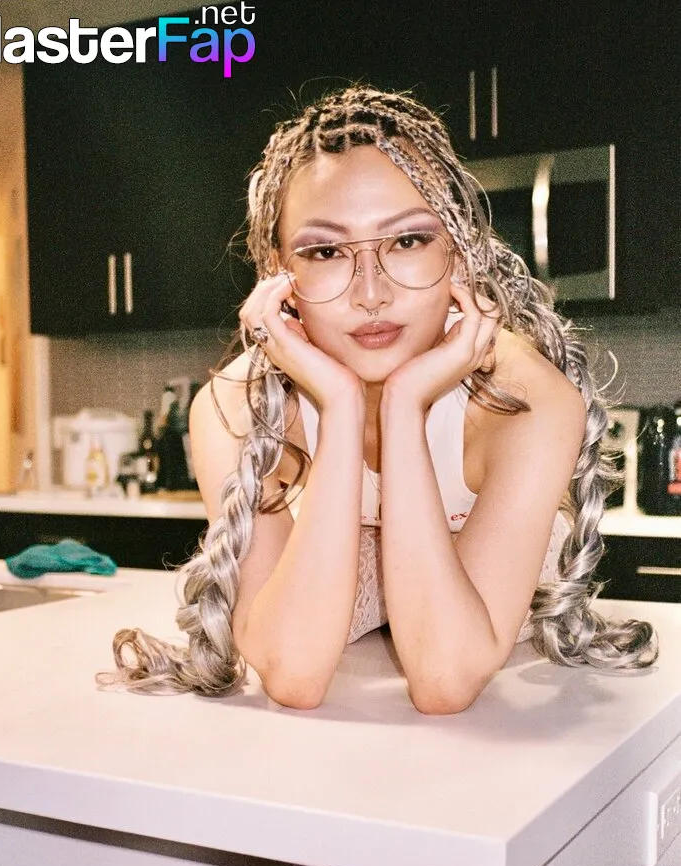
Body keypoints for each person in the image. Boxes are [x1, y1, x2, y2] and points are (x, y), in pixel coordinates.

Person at [99, 85, 657, 713]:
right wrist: (340, 406)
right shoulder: (233, 408)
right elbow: (294, 675)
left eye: (408, 241)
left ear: (458, 253)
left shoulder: (524, 401)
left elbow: (446, 682)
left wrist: (404, 404)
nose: (371, 293)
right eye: (326, 251)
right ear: (279, 273)